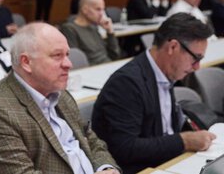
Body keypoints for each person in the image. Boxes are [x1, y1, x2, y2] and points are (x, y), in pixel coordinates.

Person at [0, 23, 120, 174]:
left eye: (67, 55)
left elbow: (91, 141)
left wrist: (107, 168)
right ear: (26, 62)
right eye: (57, 56)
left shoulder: (60, 94)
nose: (69, 64)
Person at [92, 13, 215, 174]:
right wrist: (184, 141)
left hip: (168, 163)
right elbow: (125, 148)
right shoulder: (126, 83)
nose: (197, 67)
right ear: (173, 47)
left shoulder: (165, 72)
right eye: (196, 58)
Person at [60, 0, 120, 65]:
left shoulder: (93, 27)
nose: (102, 14)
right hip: (93, 71)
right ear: (85, 10)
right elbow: (75, 61)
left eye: (103, 10)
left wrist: (110, 31)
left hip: (108, 66)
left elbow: (115, 55)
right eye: (98, 9)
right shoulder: (69, 29)